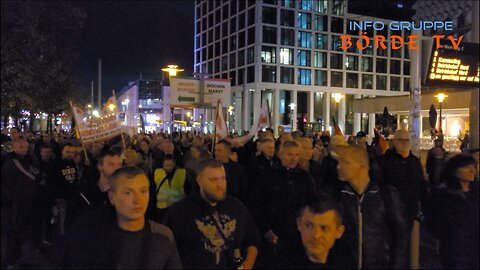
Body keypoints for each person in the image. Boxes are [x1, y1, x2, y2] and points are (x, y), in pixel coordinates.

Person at [64, 166, 183, 269]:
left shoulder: (162, 236)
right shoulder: (94, 238)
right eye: (128, 193)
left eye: (143, 191)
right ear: (112, 197)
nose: (137, 200)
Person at [163, 159, 260, 269]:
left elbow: (252, 239)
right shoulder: (180, 211)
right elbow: (165, 249)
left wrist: (248, 264)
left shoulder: (236, 207)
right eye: (213, 180)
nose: (220, 185)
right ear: (199, 180)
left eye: (223, 178)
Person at [330, 144, 408, 269]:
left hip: (379, 264)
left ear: (361, 165)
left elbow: (400, 235)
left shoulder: (385, 194)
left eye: (344, 162)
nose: (338, 167)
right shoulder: (337, 195)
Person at [249, 140, 315, 267]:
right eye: (290, 154)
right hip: (273, 232)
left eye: (296, 155)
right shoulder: (267, 175)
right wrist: (265, 229)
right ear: (281, 154)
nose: (293, 158)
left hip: (297, 234)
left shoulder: (304, 178)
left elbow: (311, 204)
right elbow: (255, 205)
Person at [278, 192, 354, 269]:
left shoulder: (348, 263)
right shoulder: (279, 264)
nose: (316, 235)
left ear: (339, 232)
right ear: (299, 224)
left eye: (324, 228)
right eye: (309, 226)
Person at [430, 154, 478, 269]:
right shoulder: (444, 194)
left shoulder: (476, 192)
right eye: (466, 167)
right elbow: (434, 221)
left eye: (474, 167)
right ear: (454, 170)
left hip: (475, 248)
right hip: (454, 248)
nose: (472, 170)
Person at [1, 139, 42, 267]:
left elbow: (36, 175)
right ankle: (11, 259)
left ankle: (19, 256)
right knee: (14, 233)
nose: (24, 149)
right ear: (13, 147)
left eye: (26, 146)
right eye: (21, 147)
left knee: (24, 231)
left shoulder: (29, 160)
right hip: (15, 204)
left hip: (28, 202)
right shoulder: (9, 163)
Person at [378, 130, 424, 233]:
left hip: (410, 212)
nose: (404, 143)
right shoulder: (385, 161)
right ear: (394, 142)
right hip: (390, 213)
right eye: (400, 140)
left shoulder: (414, 162)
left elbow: (421, 185)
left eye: (407, 140)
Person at [150, 154, 187, 222]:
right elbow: (152, 189)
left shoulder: (181, 173)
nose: (169, 168)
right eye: (166, 166)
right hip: (162, 207)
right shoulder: (157, 173)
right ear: (162, 164)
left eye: (171, 165)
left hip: (177, 206)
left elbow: (187, 188)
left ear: (174, 163)